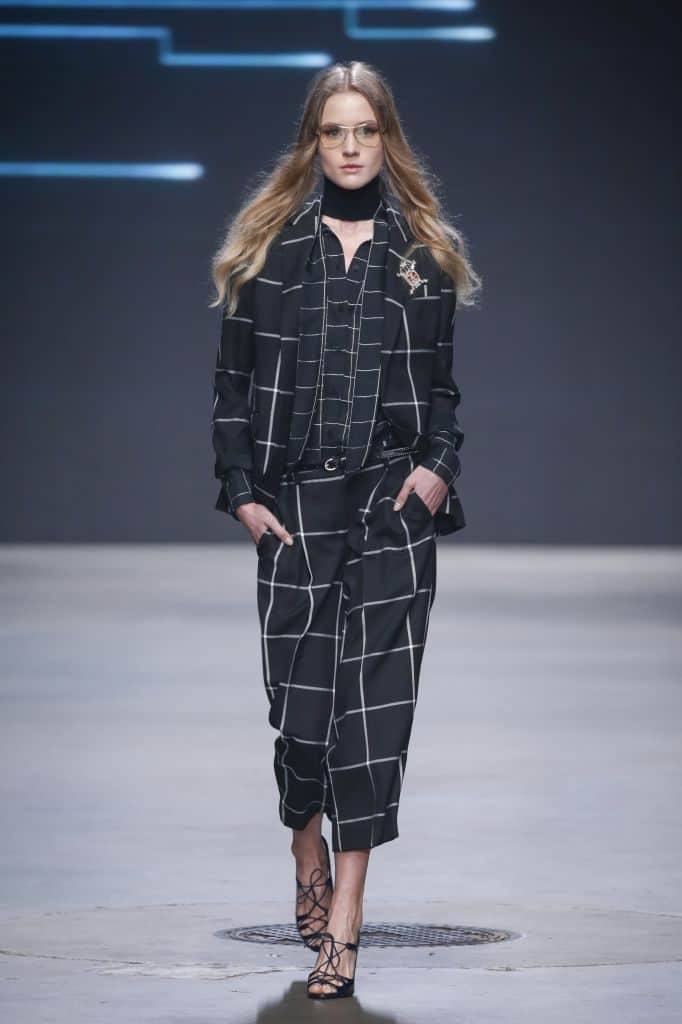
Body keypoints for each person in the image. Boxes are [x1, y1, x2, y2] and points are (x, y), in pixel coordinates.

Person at [209, 60, 480, 1000]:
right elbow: (233, 388)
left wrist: (435, 472)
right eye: (336, 131)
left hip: (389, 512)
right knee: (301, 723)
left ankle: (347, 923)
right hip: (296, 511)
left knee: (373, 723)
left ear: (386, 139)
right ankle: (304, 845)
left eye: (367, 130)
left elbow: (441, 395)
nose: (352, 147)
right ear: (313, 142)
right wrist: (243, 495)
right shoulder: (266, 254)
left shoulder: (424, 257)